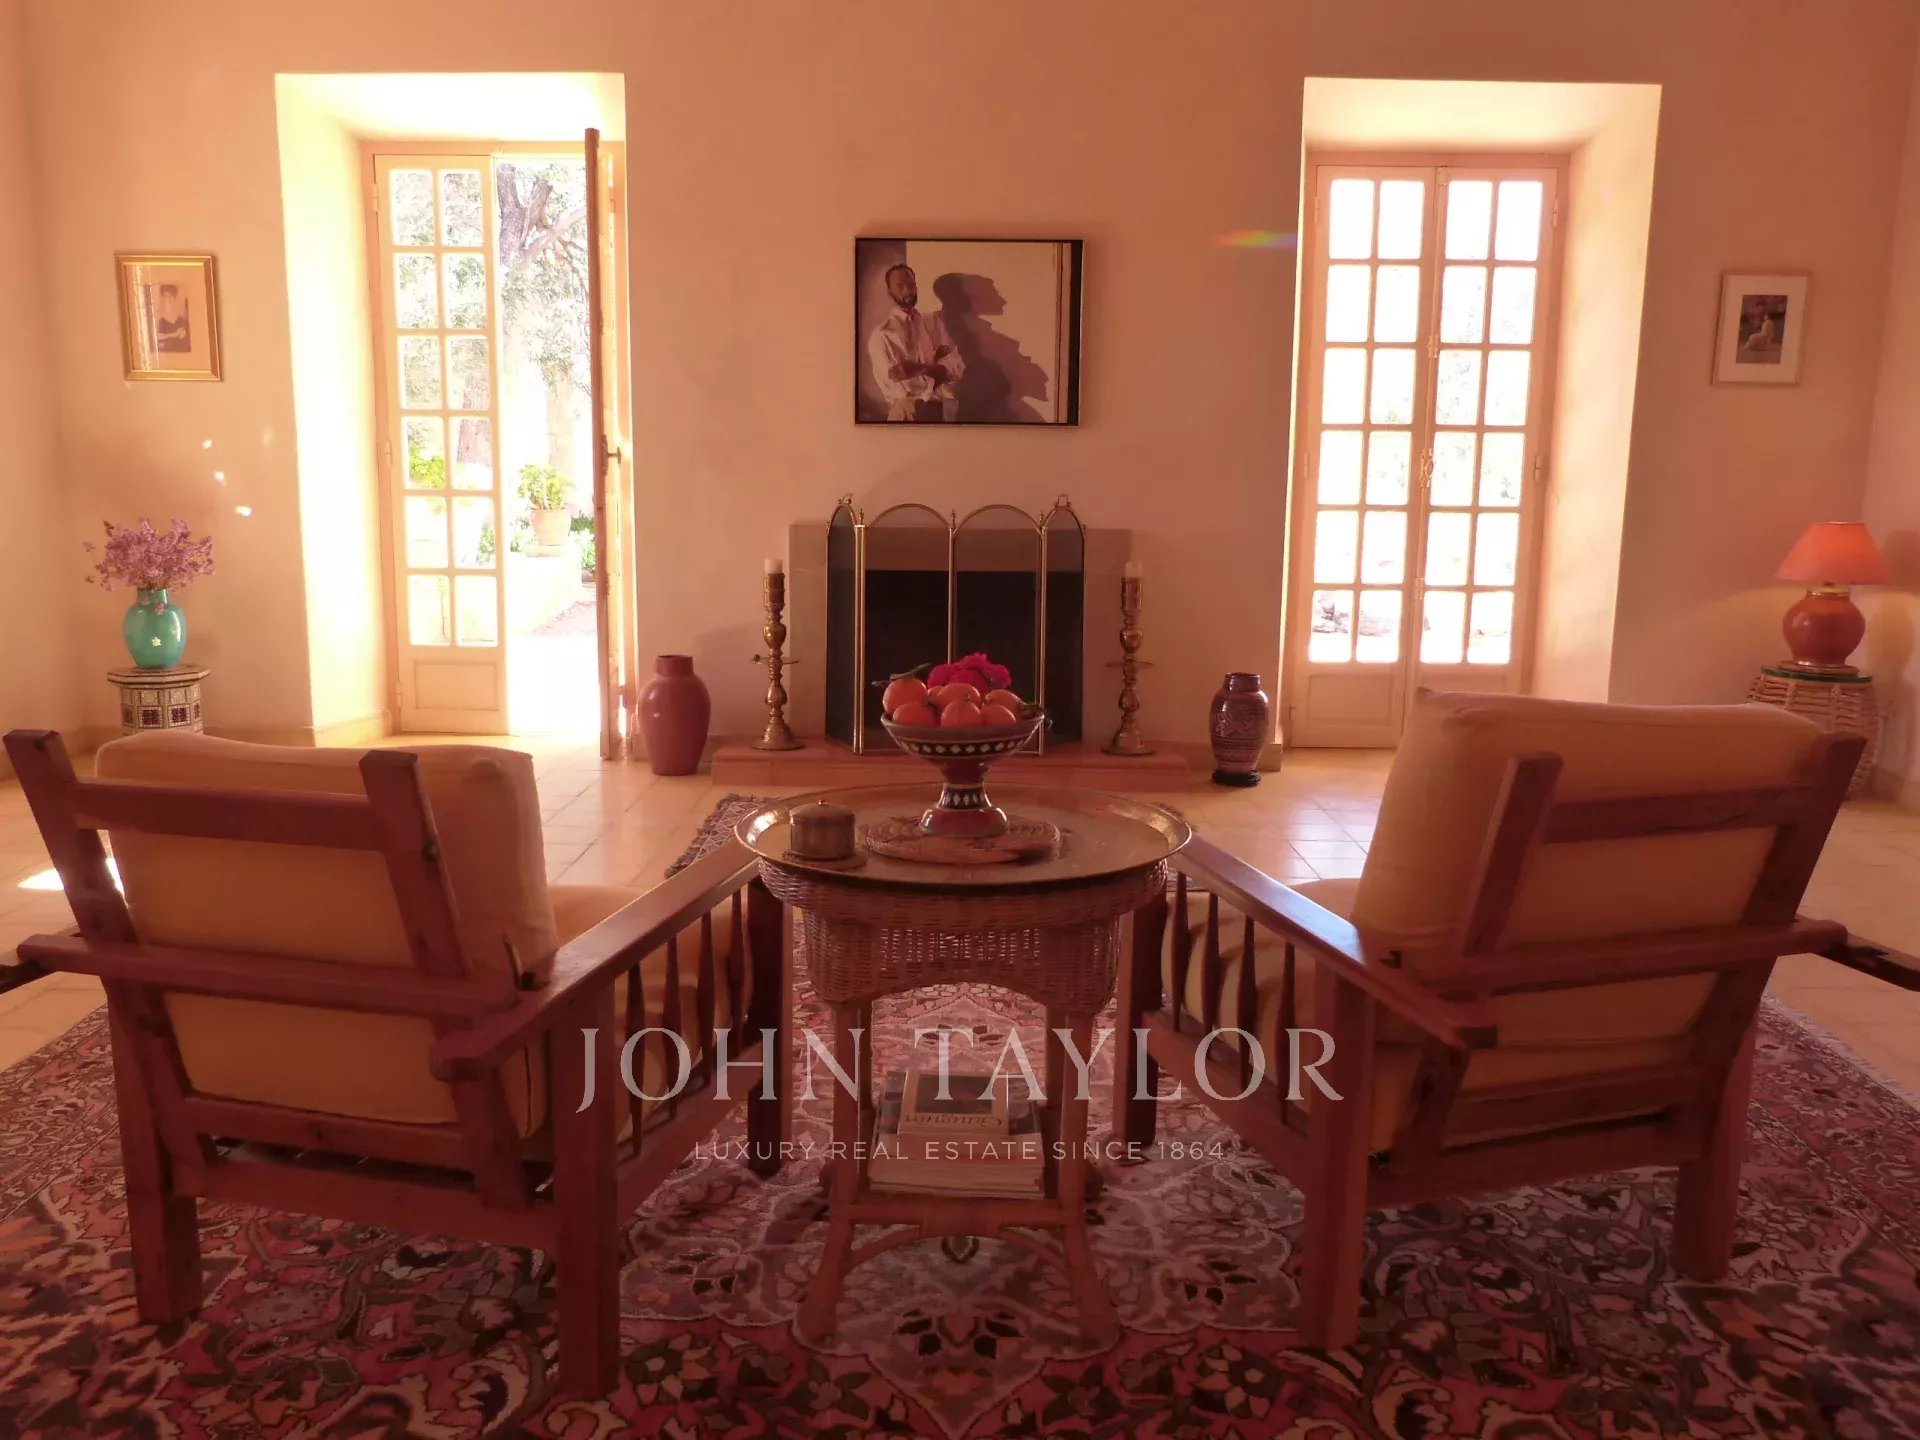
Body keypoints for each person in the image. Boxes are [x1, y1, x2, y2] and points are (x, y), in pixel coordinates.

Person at [867, 263, 964, 421]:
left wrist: (917, 369)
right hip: (905, 414)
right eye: (900, 286)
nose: (907, 290)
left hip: (939, 412)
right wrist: (937, 368)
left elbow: (956, 368)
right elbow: (897, 386)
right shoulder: (882, 335)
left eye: (911, 284)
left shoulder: (933, 323)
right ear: (889, 291)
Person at [153, 284, 191, 353]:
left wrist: (183, 333)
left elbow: (184, 335)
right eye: (166, 296)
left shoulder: (181, 316)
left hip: (180, 350)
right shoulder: (158, 315)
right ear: (163, 298)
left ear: (174, 297)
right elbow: (156, 336)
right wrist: (173, 335)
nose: (169, 299)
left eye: (171, 296)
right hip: (165, 351)